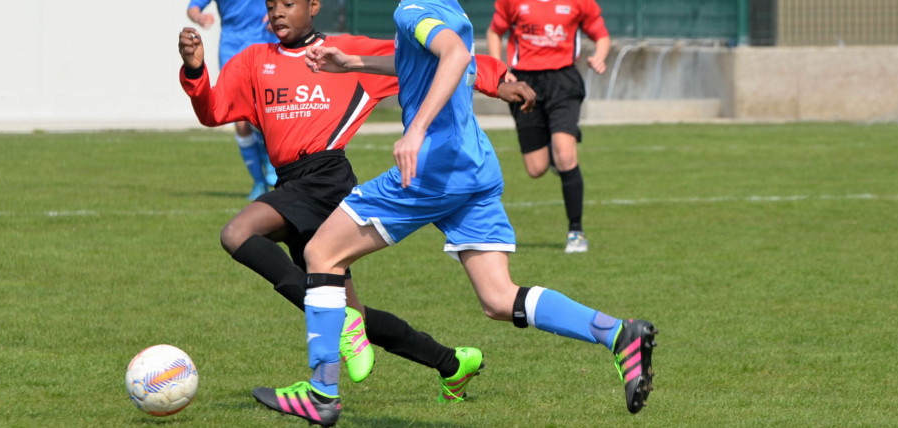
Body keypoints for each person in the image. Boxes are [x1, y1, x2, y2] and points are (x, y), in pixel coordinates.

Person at [252, 0, 658, 426]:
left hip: (433, 169)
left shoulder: (412, 9)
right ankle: (618, 334)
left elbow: (457, 56)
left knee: (321, 254)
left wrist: (416, 130)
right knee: (498, 298)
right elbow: (427, 61)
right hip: (473, 166)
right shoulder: (450, 9)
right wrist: (352, 62)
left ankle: (321, 394)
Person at [177, 0, 537, 410]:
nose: (277, 12)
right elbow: (214, 111)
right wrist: (195, 70)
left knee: (237, 233)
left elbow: (429, 58)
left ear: (314, 6)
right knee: (352, 312)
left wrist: (497, 80)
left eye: (289, 4)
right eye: (271, 5)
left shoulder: (344, 51)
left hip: (327, 180)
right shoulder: (253, 60)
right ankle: (451, 362)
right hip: (291, 184)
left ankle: (330, 367)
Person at [486, 0, 612, 253]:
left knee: (565, 154)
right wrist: (500, 68)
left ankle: (576, 232)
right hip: (524, 83)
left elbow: (602, 35)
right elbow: (494, 32)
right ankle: (556, 151)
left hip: (563, 81)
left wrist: (599, 56)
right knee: (536, 168)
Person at [187, 0, 279, 200]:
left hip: (264, 46)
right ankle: (259, 181)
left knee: (264, 113)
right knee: (240, 121)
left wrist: (279, 16)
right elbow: (193, 7)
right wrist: (199, 18)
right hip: (232, 49)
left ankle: (271, 164)